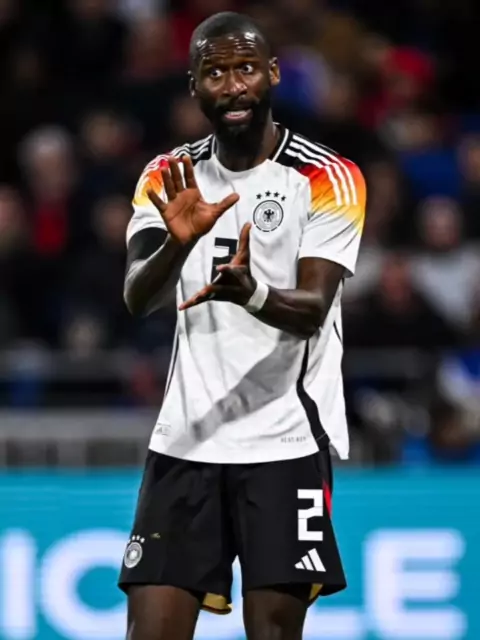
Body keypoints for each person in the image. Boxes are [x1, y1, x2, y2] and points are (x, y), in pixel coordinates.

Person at [119, 11, 366, 640]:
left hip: (285, 442)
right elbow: (137, 296)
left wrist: (250, 291)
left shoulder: (326, 177)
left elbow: (312, 307)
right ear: (193, 86)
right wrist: (177, 245)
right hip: (185, 441)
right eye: (216, 73)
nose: (233, 87)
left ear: (273, 74)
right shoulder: (167, 176)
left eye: (246, 68)